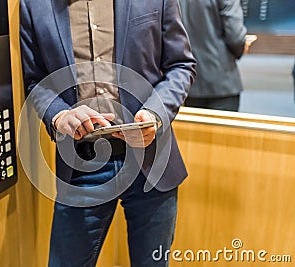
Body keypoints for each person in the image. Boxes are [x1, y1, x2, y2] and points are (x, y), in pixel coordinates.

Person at [20, 0, 196, 266]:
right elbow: (35, 79)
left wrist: (155, 114)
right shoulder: (34, 5)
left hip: (150, 161)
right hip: (82, 163)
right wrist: (59, 115)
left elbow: (180, 66)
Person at [179, 0, 252, 112]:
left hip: (190, 79)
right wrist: (242, 46)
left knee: (195, 128)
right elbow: (235, 36)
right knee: (224, 128)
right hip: (222, 81)